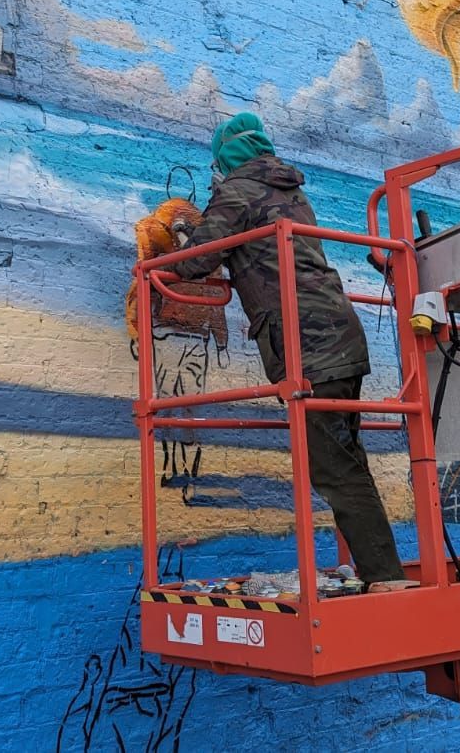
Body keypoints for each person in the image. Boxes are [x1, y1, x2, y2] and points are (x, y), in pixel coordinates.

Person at [171, 113, 410, 592]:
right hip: (339, 333)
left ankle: (386, 577)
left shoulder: (237, 191)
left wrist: (180, 235)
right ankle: (379, 570)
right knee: (345, 458)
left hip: (307, 346)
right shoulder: (292, 193)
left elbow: (196, 260)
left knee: (332, 464)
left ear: (226, 159)